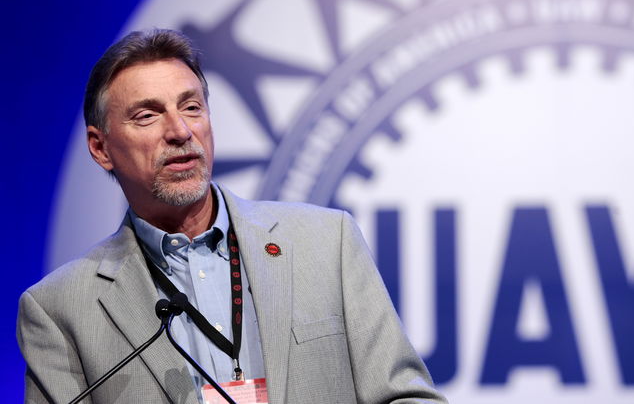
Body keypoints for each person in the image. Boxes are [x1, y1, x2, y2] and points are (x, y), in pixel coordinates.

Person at [17, 29, 447, 404]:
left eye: (191, 107)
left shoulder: (326, 243)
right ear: (100, 147)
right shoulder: (59, 309)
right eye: (147, 115)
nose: (180, 131)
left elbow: (406, 398)